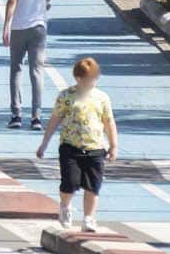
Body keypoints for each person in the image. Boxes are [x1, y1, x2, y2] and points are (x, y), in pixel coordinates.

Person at [34, 56, 118, 230]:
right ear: (79, 78)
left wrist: (113, 146)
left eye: (96, 77)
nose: (93, 81)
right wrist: (44, 143)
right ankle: (65, 207)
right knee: (70, 182)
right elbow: (55, 119)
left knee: (93, 186)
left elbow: (109, 122)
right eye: (90, 78)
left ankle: (88, 218)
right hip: (70, 147)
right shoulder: (66, 96)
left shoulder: (102, 98)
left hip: (95, 148)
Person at [1, 0, 53, 129]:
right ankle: (36, 117)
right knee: (37, 72)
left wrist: (6, 25)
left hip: (19, 27)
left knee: (16, 69)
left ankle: (16, 115)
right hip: (39, 28)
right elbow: (48, 1)